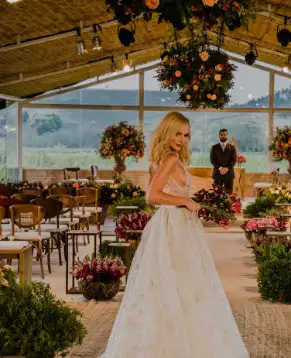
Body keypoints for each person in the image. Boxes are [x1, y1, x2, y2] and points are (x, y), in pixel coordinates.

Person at [100, 112, 249, 358]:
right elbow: (152, 196)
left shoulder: (168, 158)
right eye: (178, 133)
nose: (181, 139)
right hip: (174, 225)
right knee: (180, 281)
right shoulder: (169, 158)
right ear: (168, 131)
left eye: (186, 134)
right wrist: (184, 201)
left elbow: (172, 189)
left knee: (179, 283)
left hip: (178, 224)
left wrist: (205, 198)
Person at [210, 128, 237, 193]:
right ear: (219, 136)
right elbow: (212, 160)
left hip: (229, 174)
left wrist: (227, 168)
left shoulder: (232, 147)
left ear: (227, 135)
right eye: (221, 135)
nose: (223, 136)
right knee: (216, 194)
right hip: (217, 173)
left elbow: (234, 160)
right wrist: (220, 168)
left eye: (225, 134)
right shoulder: (214, 147)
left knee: (229, 193)